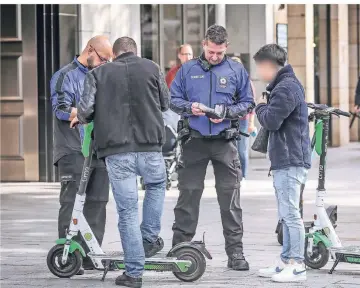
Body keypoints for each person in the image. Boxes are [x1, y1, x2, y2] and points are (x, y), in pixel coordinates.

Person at [74, 36, 170, 288]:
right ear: (136, 52)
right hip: (150, 148)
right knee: (157, 186)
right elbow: (165, 103)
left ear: (114, 55)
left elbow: (84, 113)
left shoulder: (98, 74)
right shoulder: (153, 68)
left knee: (127, 212)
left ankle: (134, 274)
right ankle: (148, 238)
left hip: (117, 152)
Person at [170, 24, 254, 271]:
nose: (215, 56)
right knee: (188, 197)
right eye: (211, 52)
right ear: (204, 44)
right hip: (194, 141)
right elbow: (173, 100)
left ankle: (236, 254)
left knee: (230, 200)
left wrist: (228, 112)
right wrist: (189, 108)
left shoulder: (236, 70)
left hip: (224, 142)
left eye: (219, 52)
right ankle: (179, 249)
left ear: (226, 47)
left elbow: (248, 102)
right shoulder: (186, 70)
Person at [50, 35, 113, 275]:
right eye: (103, 59)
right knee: (71, 203)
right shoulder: (65, 75)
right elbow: (61, 109)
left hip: (98, 149)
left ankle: (91, 256)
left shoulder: (103, 76)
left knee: (98, 202)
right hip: (72, 149)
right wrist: (86, 112)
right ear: (90, 50)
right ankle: (69, 256)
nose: (104, 64)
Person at [253, 44, 310, 282]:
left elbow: (272, 121)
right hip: (286, 159)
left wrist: (260, 106)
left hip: (290, 159)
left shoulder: (286, 88)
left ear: (269, 65)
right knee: (286, 214)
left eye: (259, 67)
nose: (258, 73)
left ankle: (297, 265)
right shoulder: (285, 85)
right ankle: (286, 260)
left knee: (291, 214)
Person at [231, 56, 256, 182]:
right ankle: (234, 175)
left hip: (243, 120)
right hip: (229, 120)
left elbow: (252, 105)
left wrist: (251, 123)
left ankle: (243, 176)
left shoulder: (247, 82)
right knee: (231, 149)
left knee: (242, 149)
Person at [164, 44, 194, 131]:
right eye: (185, 54)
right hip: (177, 113)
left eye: (190, 54)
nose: (188, 57)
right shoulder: (172, 73)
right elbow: (168, 94)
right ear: (179, 55)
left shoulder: (199, 71)